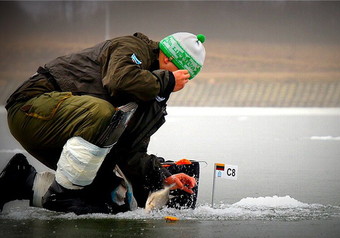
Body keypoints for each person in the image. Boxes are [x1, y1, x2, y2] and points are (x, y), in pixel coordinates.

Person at [0, 32, 206, 214]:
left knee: (114, 198)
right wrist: (167, 80)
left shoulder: (152, 92)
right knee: (104, 113)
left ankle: (22, 181)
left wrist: (163, 176)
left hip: (68, 130)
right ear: (168, 56)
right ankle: (63, 194)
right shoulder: (134, 48)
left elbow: (130, 152)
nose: (181, 82)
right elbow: (119, 81)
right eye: (180, 73)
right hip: (31, 108)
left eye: (186, 78)